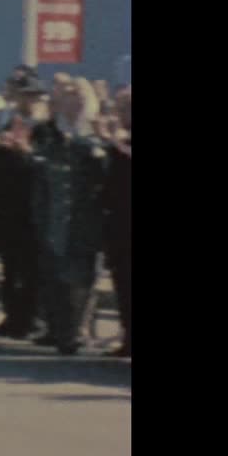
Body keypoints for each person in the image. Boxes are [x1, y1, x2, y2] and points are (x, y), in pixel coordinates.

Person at [29, 76, 108, 355]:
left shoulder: (97, 131)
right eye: (67, 96)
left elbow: (106, 176)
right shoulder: (53, 132)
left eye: (77, 96)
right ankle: (59, 328)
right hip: (54, 214)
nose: (71, 102)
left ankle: (76, 331)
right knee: (55, 276)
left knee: (81, 277)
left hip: (85, 216)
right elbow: (40, 175)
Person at [0, 76, 48, 339]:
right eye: (24, 95)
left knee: (30, 267)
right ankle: (12, 316)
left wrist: (25, 150)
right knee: (10, 266)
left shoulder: (44, 127)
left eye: (33, 96)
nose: (28, 101)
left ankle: (31, 319)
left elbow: (43, 166)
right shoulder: (9, 123)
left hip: (32, 205)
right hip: (7, 204)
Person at [102, 86, 131, 357]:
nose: (123, 114)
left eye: (127, 108)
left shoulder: (120, 143)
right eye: (121, 108)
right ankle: (128, 336)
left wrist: (113, 140)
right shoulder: (118, 141)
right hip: (119, 224)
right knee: (123, 283)